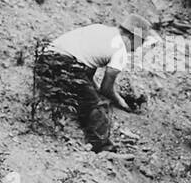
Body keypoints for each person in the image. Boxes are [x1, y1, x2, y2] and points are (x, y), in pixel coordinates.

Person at [37, 14, 152, 152]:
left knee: (86, 93)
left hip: (44, 60)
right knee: (97, 107)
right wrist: (120, 101)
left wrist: (92, 88)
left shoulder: (100, 29)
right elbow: (106, 88)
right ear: (133, 37)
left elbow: (86, 62)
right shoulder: (120, 50)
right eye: (140, 43)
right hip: (64, 66)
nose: (137, 49)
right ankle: (103, 148)